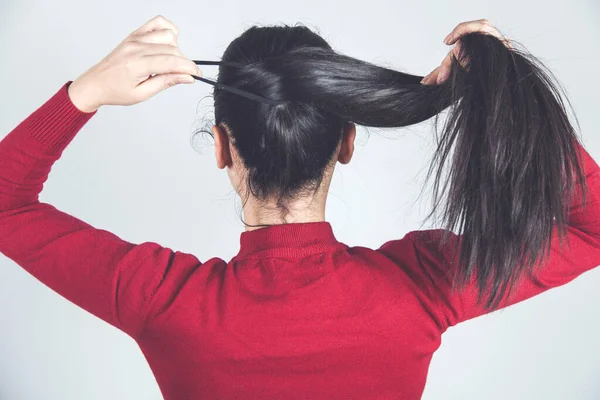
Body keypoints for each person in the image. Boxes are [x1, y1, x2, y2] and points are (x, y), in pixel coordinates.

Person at [1, 15, 598, 400]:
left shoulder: (161, 299)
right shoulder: (422, 284)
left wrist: (84, 94)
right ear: (347, 143)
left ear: (222, 146)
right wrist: (504, 91)